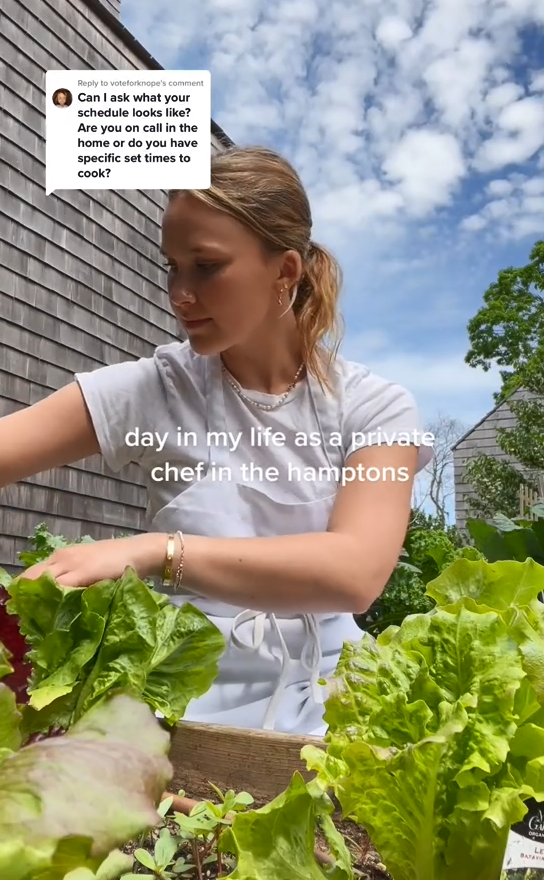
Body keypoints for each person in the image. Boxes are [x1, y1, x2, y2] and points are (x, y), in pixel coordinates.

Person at [0, 146, 433, 736]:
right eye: (171, 267)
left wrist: (156, 550)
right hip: (169, 717)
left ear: (284, 272)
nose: (180, 294)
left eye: (205, 267)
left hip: (332, 714)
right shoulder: (156, 387)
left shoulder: (374, 407)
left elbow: (355, 572)